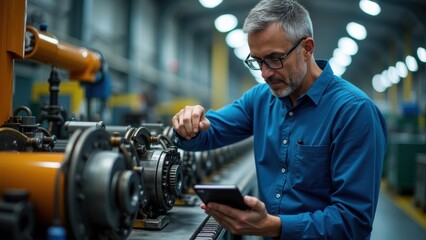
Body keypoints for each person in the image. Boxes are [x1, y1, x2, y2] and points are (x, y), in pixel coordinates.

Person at [171, 0, 388, 239]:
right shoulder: (260, 99)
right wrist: (188, 124)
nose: (265, 74)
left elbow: (353, 222)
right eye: (257, 61)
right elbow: (209, 133)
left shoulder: (354, 112)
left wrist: (275, 226)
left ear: (307, 48)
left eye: (274, 59)